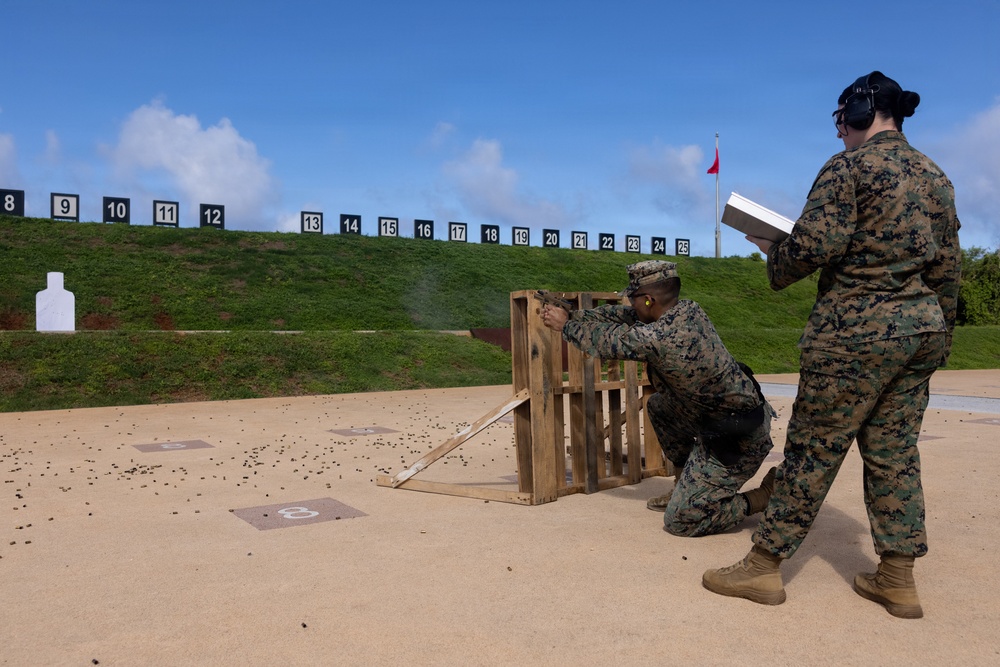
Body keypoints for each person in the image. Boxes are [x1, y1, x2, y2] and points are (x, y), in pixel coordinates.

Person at [702, 71, 961, 618]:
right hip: (921, 332)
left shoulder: (848, 167)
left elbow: (815, 244)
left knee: (813, 451)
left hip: (854, 334)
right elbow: (947, 265)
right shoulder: (936, 176)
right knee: (894, 454)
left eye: (842, 119)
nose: (839, 130)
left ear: (862, 111)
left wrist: (775, 249)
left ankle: (764, 566)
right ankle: (897, 576)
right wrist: (942, 333)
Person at [540, 260, 777, 537]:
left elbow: (610, 342)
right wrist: (577, 314)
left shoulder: (663, 337)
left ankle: (762, 496)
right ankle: (684, 482)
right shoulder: (687, 309)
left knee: (682, 519)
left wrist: (567, 326)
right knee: (660, 406)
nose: (631, 303)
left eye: (635, 298)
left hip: (738, 438)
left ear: (650, 300)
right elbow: (625, 316)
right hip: (716, 419)